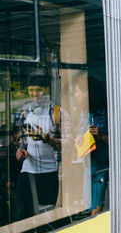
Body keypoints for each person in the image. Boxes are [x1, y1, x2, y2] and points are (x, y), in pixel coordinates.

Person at [15, 73, 72, 220]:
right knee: (23, 215)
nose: (35, 94)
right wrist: (21, 152)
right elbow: (22, 142)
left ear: (46, 90)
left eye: (38, 90)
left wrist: (47, 138)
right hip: (28, 173)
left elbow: (69, 144)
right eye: (31, 90)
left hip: (51, 174)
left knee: (49, 219)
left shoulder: (58, 114)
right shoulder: (24, 114)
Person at [74, 74, 109, 215]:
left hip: (104, 165)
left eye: (77, 91)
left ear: (86, 93)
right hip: (90, 163)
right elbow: (80, 132)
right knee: (91, 203)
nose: (75, 95)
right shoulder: (85, 113)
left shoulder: (106, 112)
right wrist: (78, 138)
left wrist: (100, 135)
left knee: (99, 205)